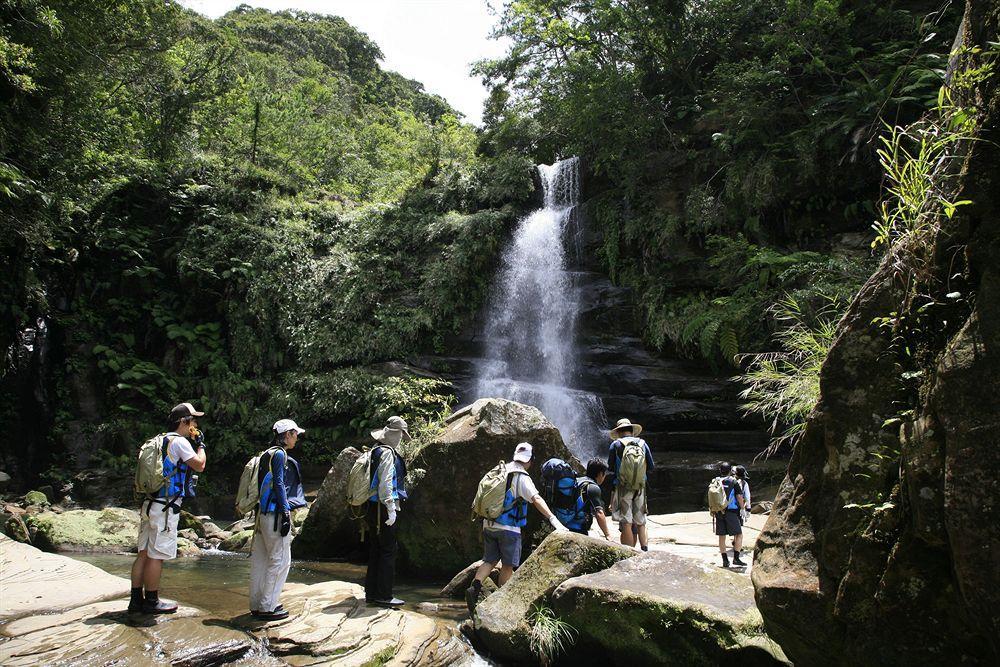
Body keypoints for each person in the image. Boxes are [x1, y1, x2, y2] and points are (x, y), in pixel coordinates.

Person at [465, 442, 568, 615]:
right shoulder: (522, 477)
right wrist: (553, 519)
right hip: (509, 529)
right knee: (507, 566)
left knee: (489, 560)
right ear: (530, 460)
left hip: (488, 524)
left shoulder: (499, 470)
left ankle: (474, 588)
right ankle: (502, 603)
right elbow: (536, 499)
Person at [129, 402, 207, 614]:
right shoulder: (180, 442)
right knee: (157, 555)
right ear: (184, 422)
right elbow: (199, 465)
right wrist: (201, 445)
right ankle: (152, 601)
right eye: (193, 420)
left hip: (149, 502)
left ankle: (136, 600)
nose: (196, 423)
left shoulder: (159, 439)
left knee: (143, 553)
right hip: (165, 506)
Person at [249, 418, 305, 620]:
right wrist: (286, 512)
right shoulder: (280, 455)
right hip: (275, 515)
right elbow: (279, 484)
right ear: (288, 434)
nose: (297, 438)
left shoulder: (266, 454)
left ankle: (256, 604)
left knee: (261, 561)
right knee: (280, 561)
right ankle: (268, 607)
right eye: (295, 434)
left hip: (262, 516)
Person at [364, 416, 410, 608]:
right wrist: (391, 509)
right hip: (383, 508)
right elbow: (386, 484)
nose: (401, 438)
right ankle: (384, 595)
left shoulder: (375, 450)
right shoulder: (387, 454)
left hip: (371, 507)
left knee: (376, 549)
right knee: (389, 550)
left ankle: (372, 593)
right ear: (395, 434)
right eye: (401, 434)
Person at [607, 418, 654, 550]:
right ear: (632, 431)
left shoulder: (615, 445)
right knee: (641, 521)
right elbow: (651, 466)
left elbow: (611, 468)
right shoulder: (643, 444)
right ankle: (644, 549)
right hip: (640, 486)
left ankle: (629, 553)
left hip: (623, 487)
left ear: (618, 432)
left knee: (626, 522)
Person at [570, 458, 612, 540]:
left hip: (566, 522)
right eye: (604, 474)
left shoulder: (578, 481)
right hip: (579, 528)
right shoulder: (593, 487)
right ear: (600, 474)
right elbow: (599, 513)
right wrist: (607, 535)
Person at [714, 462, 746, 568]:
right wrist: (743, 508)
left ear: (720, 471)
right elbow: (739, 497)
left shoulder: (716, 481)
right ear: (730, 471)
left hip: (718, 512)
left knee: (722, 536)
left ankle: (725, 560)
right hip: (731, 512)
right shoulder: (734, 481)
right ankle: (736, 559)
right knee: (739, 534)